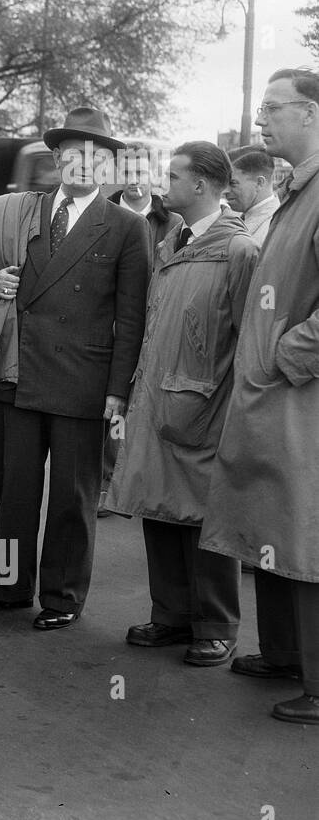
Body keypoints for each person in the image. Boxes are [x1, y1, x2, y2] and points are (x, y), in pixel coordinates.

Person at [0, 106, 149, 629]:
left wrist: (118, 393)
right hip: (15, 376)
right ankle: (7, 589)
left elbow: (132, 319)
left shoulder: (127, 228)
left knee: (72, 499)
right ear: (58, 160)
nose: (84, 164)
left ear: (111, 167)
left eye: (97, 156)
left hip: (83, 384)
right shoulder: (17, 214)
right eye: (74, 153)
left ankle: (62, 597)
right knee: (12, 492)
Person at [106, 143, 256, 666]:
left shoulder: (237, 251)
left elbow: (248, 342)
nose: (161, 184)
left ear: (200, 186)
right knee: (159, 507)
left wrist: (230, 409)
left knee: (205, 520)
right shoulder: (172, 240)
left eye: (172, 176)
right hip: (160, 400)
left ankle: (215, 627)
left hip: (207, 407)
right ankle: (169, 615)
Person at [202, 68, 319, 723]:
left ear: (309, 112)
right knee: (275, 522)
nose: (260, 118)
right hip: (276, 395)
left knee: (305, 533)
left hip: (301, 396)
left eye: (272, 108)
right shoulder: (294, 189)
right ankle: (283, 654)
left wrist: (284, 355)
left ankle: (318, 681)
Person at [98, 141, 182, 516]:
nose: (134, 182)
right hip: (112, 324)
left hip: (158, 322)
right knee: (112, 404)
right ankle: (106, 485)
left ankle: (143, 484)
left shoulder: (173, 221)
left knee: (149, 405)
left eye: (141, 174)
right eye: (127, 174)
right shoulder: (104, 214)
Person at [226, 147, 281, 247]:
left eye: (232, 183)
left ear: (259, 183)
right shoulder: (235, 218)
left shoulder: (275, 227)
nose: (225, 190)